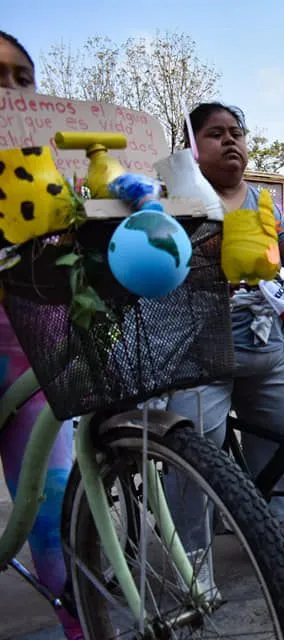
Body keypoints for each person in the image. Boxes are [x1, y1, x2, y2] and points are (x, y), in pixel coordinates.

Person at [166, 103, 284, 561]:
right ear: (192, 147)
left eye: (236, 133)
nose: (230, 141)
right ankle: (192, 557)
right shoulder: (176, 197)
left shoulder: (261, 203)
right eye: (215, 133)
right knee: (193, 450)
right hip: (196, 351)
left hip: (262, 343)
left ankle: (271, 524)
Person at [0, 29, 83, 640]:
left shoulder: (55, 167)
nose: (10, 92)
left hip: (30, 352)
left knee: (56, 518)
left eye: (21, 79)